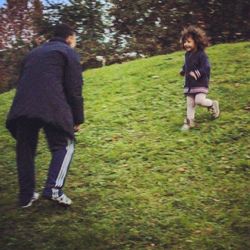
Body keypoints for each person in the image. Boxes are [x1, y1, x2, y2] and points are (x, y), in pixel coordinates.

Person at [6, 23, 84, 208]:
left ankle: (26, 197)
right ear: (70, 38)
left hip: (23, 107)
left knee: (25, 150)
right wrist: (78, 118)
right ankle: (54, 190)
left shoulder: (33, 53)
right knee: (64, 145)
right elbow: (74, 89)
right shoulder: (67, 52)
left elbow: (24, 80)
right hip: (51, 105)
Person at [179, 25, 220, 131]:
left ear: (196, 41)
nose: (186, 44)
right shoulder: (187, 55)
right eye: (184, 42)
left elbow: (206, 67)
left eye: (188, 41)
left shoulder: (202, 55)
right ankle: (189, 121)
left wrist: (197, 73)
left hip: (201, 83)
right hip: (189, 84)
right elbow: (187, 65)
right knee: (190, 103)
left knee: (199, 101)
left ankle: (212, 104)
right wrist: (183, 70)